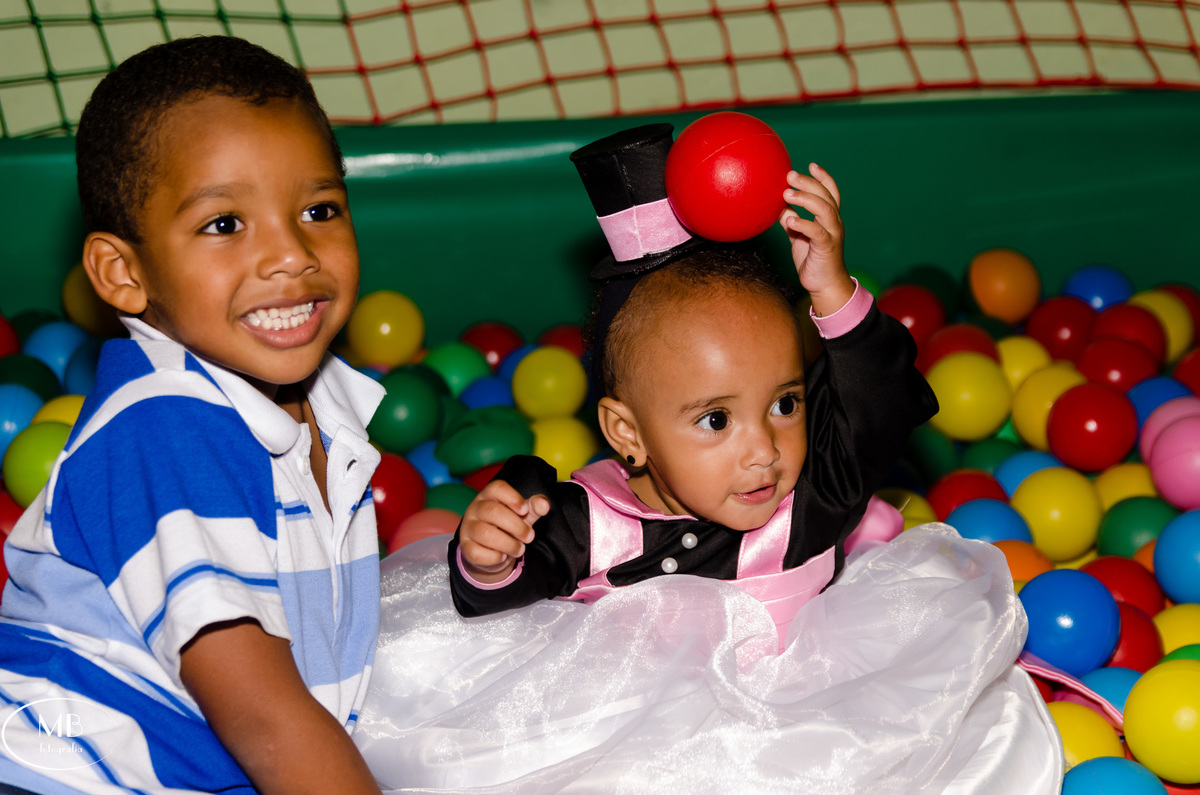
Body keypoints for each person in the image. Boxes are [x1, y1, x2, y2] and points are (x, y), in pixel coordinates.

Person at [352, 124, 1064, 792]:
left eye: (784, 402)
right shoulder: (593, 520)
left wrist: (833, 293)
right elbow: (502, 600)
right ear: (626, 432)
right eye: (716, 419)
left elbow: (881, 408)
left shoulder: (809, 501)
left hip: (807, 715)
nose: (763, 448)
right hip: (629, 730)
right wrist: (490, 555)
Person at [0, 37, 384, 795]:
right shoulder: (164, 429)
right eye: (223, 224)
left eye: (318, 208)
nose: (291, 255)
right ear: (124, 271)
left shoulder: (324, 396)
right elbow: (266, 719)